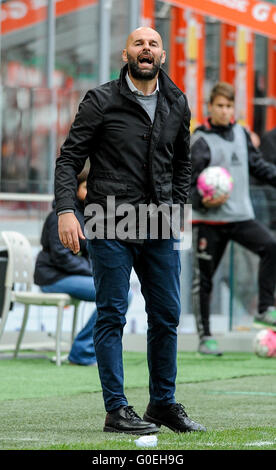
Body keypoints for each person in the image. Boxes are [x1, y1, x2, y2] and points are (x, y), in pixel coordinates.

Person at [54, 27, 206, 435]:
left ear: (162, 55)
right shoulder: (101, 100)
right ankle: (117, 410)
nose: (146, 49)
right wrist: (67, 210)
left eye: (153, 44)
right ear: (126, 53)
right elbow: (69, 159)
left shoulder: (177, 102)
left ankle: (162, 404)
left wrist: (177, 210)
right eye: (139, 43)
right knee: (111, 315)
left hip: (160, 222)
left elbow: (182, 165)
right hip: (108, 219)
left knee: (166, 316)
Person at [191, 82, 276, 356]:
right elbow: (185, 185)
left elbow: (259, 167)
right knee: (204, 280)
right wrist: (203, 199)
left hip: (241, 217)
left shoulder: (241, 133)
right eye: (219, 105)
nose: (225, 110)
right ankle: (205, 337)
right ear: (210, 107)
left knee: (271, 246)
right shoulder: (199, 140)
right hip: (209, 222)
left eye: (229, 106)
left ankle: (264, 308)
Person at [35, 170, 96, 366]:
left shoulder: (88, 216)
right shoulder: (60, 217)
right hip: (53, 278)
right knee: (117, 294)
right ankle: (82, 350)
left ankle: (86, 349)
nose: (91, 192)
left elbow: (90, 254)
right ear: (76, 189)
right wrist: (92, 270)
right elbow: (62, 258)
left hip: (71, 276)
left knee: (119, 293)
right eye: (87, 187)